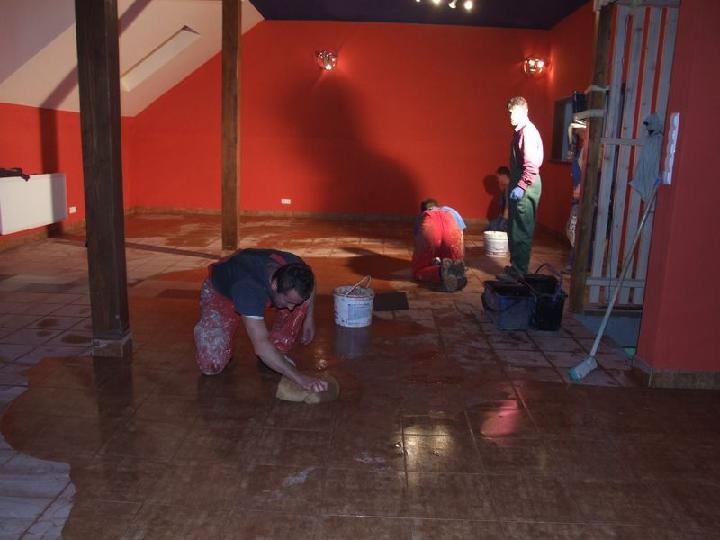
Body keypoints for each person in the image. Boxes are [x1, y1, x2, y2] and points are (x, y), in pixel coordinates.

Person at [194, 248, 328, 393]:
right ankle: (210, 334)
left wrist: (309, 318)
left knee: (299, 302)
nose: (291, 308)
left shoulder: (293, 267)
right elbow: (261, 345)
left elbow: (310, 281)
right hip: (222, 293)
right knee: (211, 366)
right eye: (288, 302)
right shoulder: (249, 289)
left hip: (256, 284)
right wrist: (300, 379)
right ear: (275, 285)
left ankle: (277, 351)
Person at [503, 96, 543, 277]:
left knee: (522, 230)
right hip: (520, 183)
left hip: (526, 186)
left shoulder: (528, 133)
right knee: (515, 228)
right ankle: (515, 268)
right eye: (510, 113)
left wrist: (521, 186)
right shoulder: (519, 132)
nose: (511, 116)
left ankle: (519, 272)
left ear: (525, 111)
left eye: (515, 112)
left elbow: (531, 166)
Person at [411, 198, 467, 292]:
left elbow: (418, 241)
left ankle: (440, 272)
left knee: (418, 270)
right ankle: (456, 273)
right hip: (452, 230)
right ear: (437, 206)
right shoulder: (452, 211)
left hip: (430, 228)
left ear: (423, 210)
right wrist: (459, 257)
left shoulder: (422, 215)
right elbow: (461, 233)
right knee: (453, 262)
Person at [486, 166, 510, 232]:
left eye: (498, 177)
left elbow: (508, 207)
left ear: (503, 176)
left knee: (492, 228)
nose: (498, 180)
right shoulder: (506, 188)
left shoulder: (509, 189)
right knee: (491, 226)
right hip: (505, 218)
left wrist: (503, 222)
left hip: (509, 220)